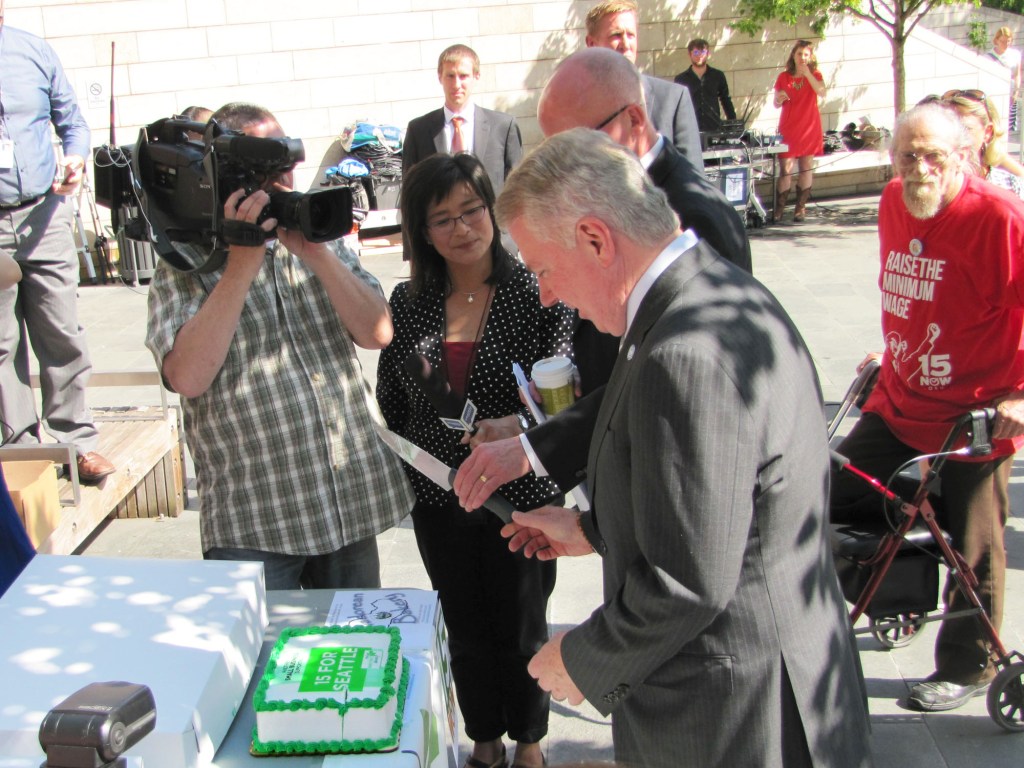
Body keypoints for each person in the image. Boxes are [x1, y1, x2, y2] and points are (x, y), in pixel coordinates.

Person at [493, 128, 872, 768]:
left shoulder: (684, 354)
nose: (548, 294)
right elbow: (719, 508)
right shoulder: (708, 292)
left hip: (736, 713)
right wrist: (593, 530)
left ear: (595, 239)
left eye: (543, 269)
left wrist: (581, 659)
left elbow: (689, 581)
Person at [453, 46, 751, 507]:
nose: (564, 165)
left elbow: (677, 386)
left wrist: (537, 447)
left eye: (579, 142)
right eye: (554, 148)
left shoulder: (695, 217)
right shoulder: (599, 199)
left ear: (633, 120)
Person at [145, 102, 414, 591]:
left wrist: (317, 255)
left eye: (286, 162)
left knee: (356, 638)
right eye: (268, 167)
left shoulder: (316, 233)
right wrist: (241, 265)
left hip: (346, 504)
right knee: (262, 644)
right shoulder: (185, 258)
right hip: (256, 520)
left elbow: (377, 333)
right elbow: (187, 377)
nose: (284, 179)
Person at [376, 153, 574, 768]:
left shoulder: (538, 291)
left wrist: (518, 426)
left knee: (524, 624)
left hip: (522, 493)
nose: (462, 228)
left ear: (492, 209)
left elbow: (570, 395)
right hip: (441, 494)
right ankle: (484, 740)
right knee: (463, 624)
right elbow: (392, 398)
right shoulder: (407, 302)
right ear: (422, 231)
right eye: (443, 219)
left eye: (472, 210)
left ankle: (530, 744)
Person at [831, 102, 1024, 713]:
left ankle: (971, 664)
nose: (920, 169)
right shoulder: (896, 200)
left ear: (964, 155)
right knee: (828, 494)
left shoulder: (999, 217)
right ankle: (901, 592)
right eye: (907, 156)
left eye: (934, 156)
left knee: (974, 547)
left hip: (973, 413)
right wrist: (893, 348)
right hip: (900, 397)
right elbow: (921, 293)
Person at [0, 7, 116, 483]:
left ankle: (77, 441)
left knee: (61, 328)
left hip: (43, 213)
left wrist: (75, 158)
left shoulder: (32, 50)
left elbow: (73, 123)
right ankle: (20, 447)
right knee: (1, 341)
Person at [584, 0, 703, 166]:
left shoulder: (674, 99)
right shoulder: (577, 107)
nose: (625, 44)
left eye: (630, 35)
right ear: (592, 44)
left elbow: (694, 176)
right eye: (616, 35)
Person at [402, 44, 522, 198]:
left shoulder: (503, 127)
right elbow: (409, 193)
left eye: (463, 76)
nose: (456, 84)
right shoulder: (418, 131)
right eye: (450, 76)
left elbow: (518, 189)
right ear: (440, 77)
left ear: (476, 76)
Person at [924, 88, 1024, 197]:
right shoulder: (928, 183)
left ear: (988, 132)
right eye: (947, 129)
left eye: (965, 129)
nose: (954, 138)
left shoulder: (1010, 186)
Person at [773, 40, 826, 222]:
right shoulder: (783, 77)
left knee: (806, 167)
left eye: (806, 54)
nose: (802, 57)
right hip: (789, 128)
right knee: (785, 170)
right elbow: (776, 103)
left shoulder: (815, 74)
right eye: (799, 54)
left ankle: (800, 208)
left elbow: (822, 92)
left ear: (810, 57)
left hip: (809, 127)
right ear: (793, 56)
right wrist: (779, 98)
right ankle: (779, 209)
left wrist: (808, 74)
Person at [673, 38, 737, 132]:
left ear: (708, 54)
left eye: (703, 52)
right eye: (696, 52)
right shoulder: (681, 79)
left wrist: (733, 124)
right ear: (690, 54)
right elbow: (677, 105)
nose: (699, 56)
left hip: (714, 128)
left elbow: (726, 100)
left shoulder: (718, 76)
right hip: (690, 129)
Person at [989, 26, 1021, 134]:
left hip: (1010, 95)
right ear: (997, 40)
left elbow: (1017, 74)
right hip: (995, 94)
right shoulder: (988, 56)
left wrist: (1016, 92)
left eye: (1008, 41)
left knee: (1009, 128)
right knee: (995, 124)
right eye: (1002, 41)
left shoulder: (1015, 55)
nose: (1005, 44)